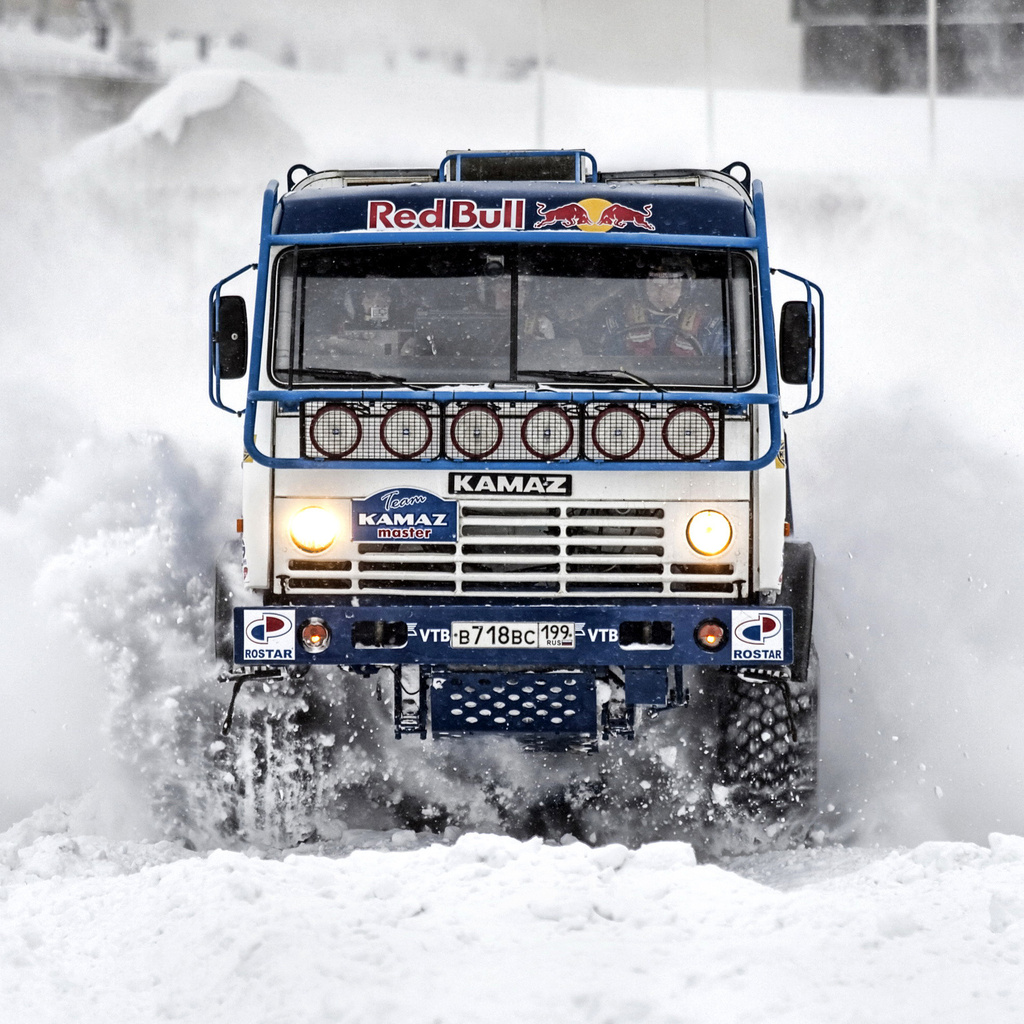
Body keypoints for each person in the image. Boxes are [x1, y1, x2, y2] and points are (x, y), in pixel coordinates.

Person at [616, 261, 726, 363]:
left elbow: (723, 372)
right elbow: (609, 366)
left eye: (671, 284)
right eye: (655, 284)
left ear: (685, 288)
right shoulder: (621, 321)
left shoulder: (710, 328)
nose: (662, 291)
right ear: (643, 287)